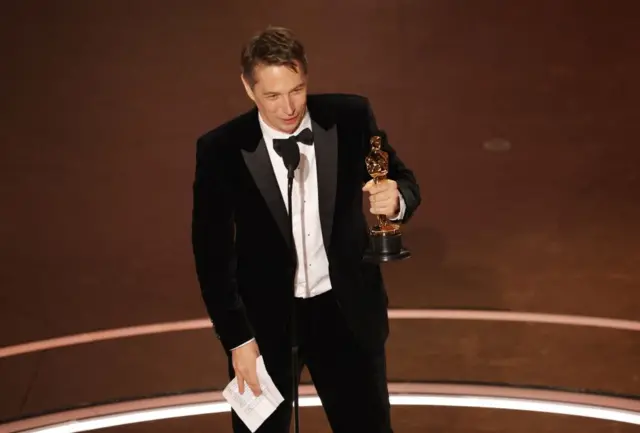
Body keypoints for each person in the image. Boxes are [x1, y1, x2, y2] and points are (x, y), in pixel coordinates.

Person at [191, 25, 420, 433]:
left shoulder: (350, 118)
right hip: (263, 328)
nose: (288, 108)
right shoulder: (220, 151)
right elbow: (211, 254)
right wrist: (237, 341)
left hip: (345, 313)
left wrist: (396, 198)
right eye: (272, 96)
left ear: (306, 76)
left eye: (296, 90)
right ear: (248, 88)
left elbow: (400, 178)